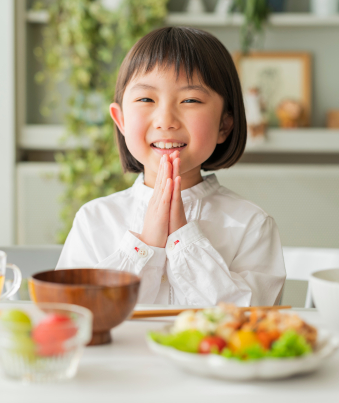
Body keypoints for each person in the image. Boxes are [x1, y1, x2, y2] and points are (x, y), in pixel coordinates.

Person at [56, 26, 286, 306]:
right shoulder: (94, 220)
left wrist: (182, 238)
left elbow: (251, 323)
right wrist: (146, 246)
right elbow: (74, 314)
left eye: (190, 100)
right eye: (146, 99)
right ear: (121, 120)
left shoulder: (251, 225)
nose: (166, 120)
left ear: (224, 124)